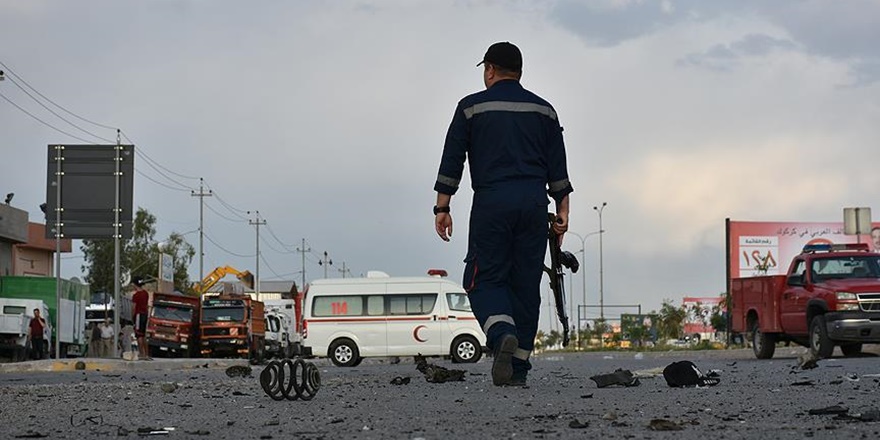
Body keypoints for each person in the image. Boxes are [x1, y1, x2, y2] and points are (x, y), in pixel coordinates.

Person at [433, 42, 573, 387]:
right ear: (520, 72)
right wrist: (562, 215)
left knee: (483, 278)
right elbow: (559, 169)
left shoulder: (471, 108)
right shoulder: (545, 111)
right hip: (533, 205)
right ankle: (518, 369)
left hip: (492, 203)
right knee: (525, 284)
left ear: (491, 70)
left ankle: (502, 333)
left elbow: (453, 157)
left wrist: (443, 206)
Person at [131, 276, 151, 360]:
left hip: (138, 315)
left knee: (139, 335)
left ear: (135, 285)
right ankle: (146, 354)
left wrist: (132, 318)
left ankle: (141, 354)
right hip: (145, 315)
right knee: (144, 335)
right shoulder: (146, 294)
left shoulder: (136, 295)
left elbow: (133, 308)